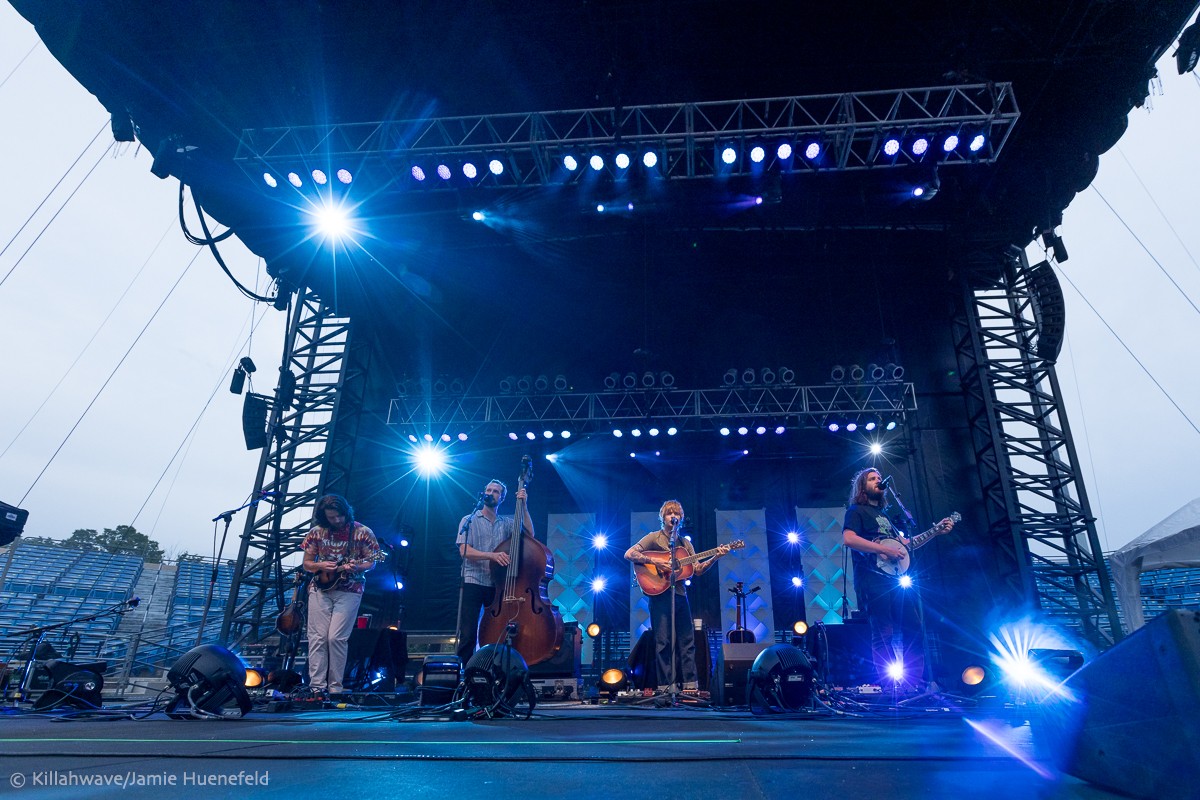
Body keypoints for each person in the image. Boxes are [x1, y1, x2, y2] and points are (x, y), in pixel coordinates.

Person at [842, 468, 955, 687]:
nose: (878, 480)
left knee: (915, 628)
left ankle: (912, 685)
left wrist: (935, 531)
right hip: (872, 579)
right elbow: (849, 539)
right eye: (872, 479)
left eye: (879, 478)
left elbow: (906, 545)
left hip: (895, 580)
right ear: (862, 486)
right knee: (883, 632)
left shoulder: (884, 516)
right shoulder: (856, 511)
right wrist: (881, 549)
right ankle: (889, 687)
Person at [625, 500, 730, 694]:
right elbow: (629, 553)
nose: (673, 516)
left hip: (680, 595)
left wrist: (716, 556)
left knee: (687, 641)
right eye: (669, 513)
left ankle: (690, 686)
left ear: (680, 518)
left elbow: (697, 569)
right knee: (663, 642)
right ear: (663, 517)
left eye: (677, 514)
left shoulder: (685, 544)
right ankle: (665, 687)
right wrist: (656, 562)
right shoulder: (653, 538)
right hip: (659, 596)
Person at [301, 494, 381, 698]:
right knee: (317, 638)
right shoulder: (316, 532)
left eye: (339, 516)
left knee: (336, 637)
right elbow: (307, 563)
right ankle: (317, 688)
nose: (337, 520)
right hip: (320, 588)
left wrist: (357, 567)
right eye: (331, 517)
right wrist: (320, 565)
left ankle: (335, 688)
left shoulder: (363, 532)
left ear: (346, 512)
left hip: (350, 589)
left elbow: (371, 562)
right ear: (323, 516)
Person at [455, 478, 532, 663]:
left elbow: (530, 534)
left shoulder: (506, 523)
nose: (490, 493)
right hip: (473, 580)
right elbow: (464, 550)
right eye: (488, 490)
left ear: (502, 498)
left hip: (496, 585)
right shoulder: (469, 520)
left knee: (495, 631)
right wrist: (491, 555)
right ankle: (465, 672)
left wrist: (524, 506)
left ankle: (491, 668)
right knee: (468, 633)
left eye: (496, 491)